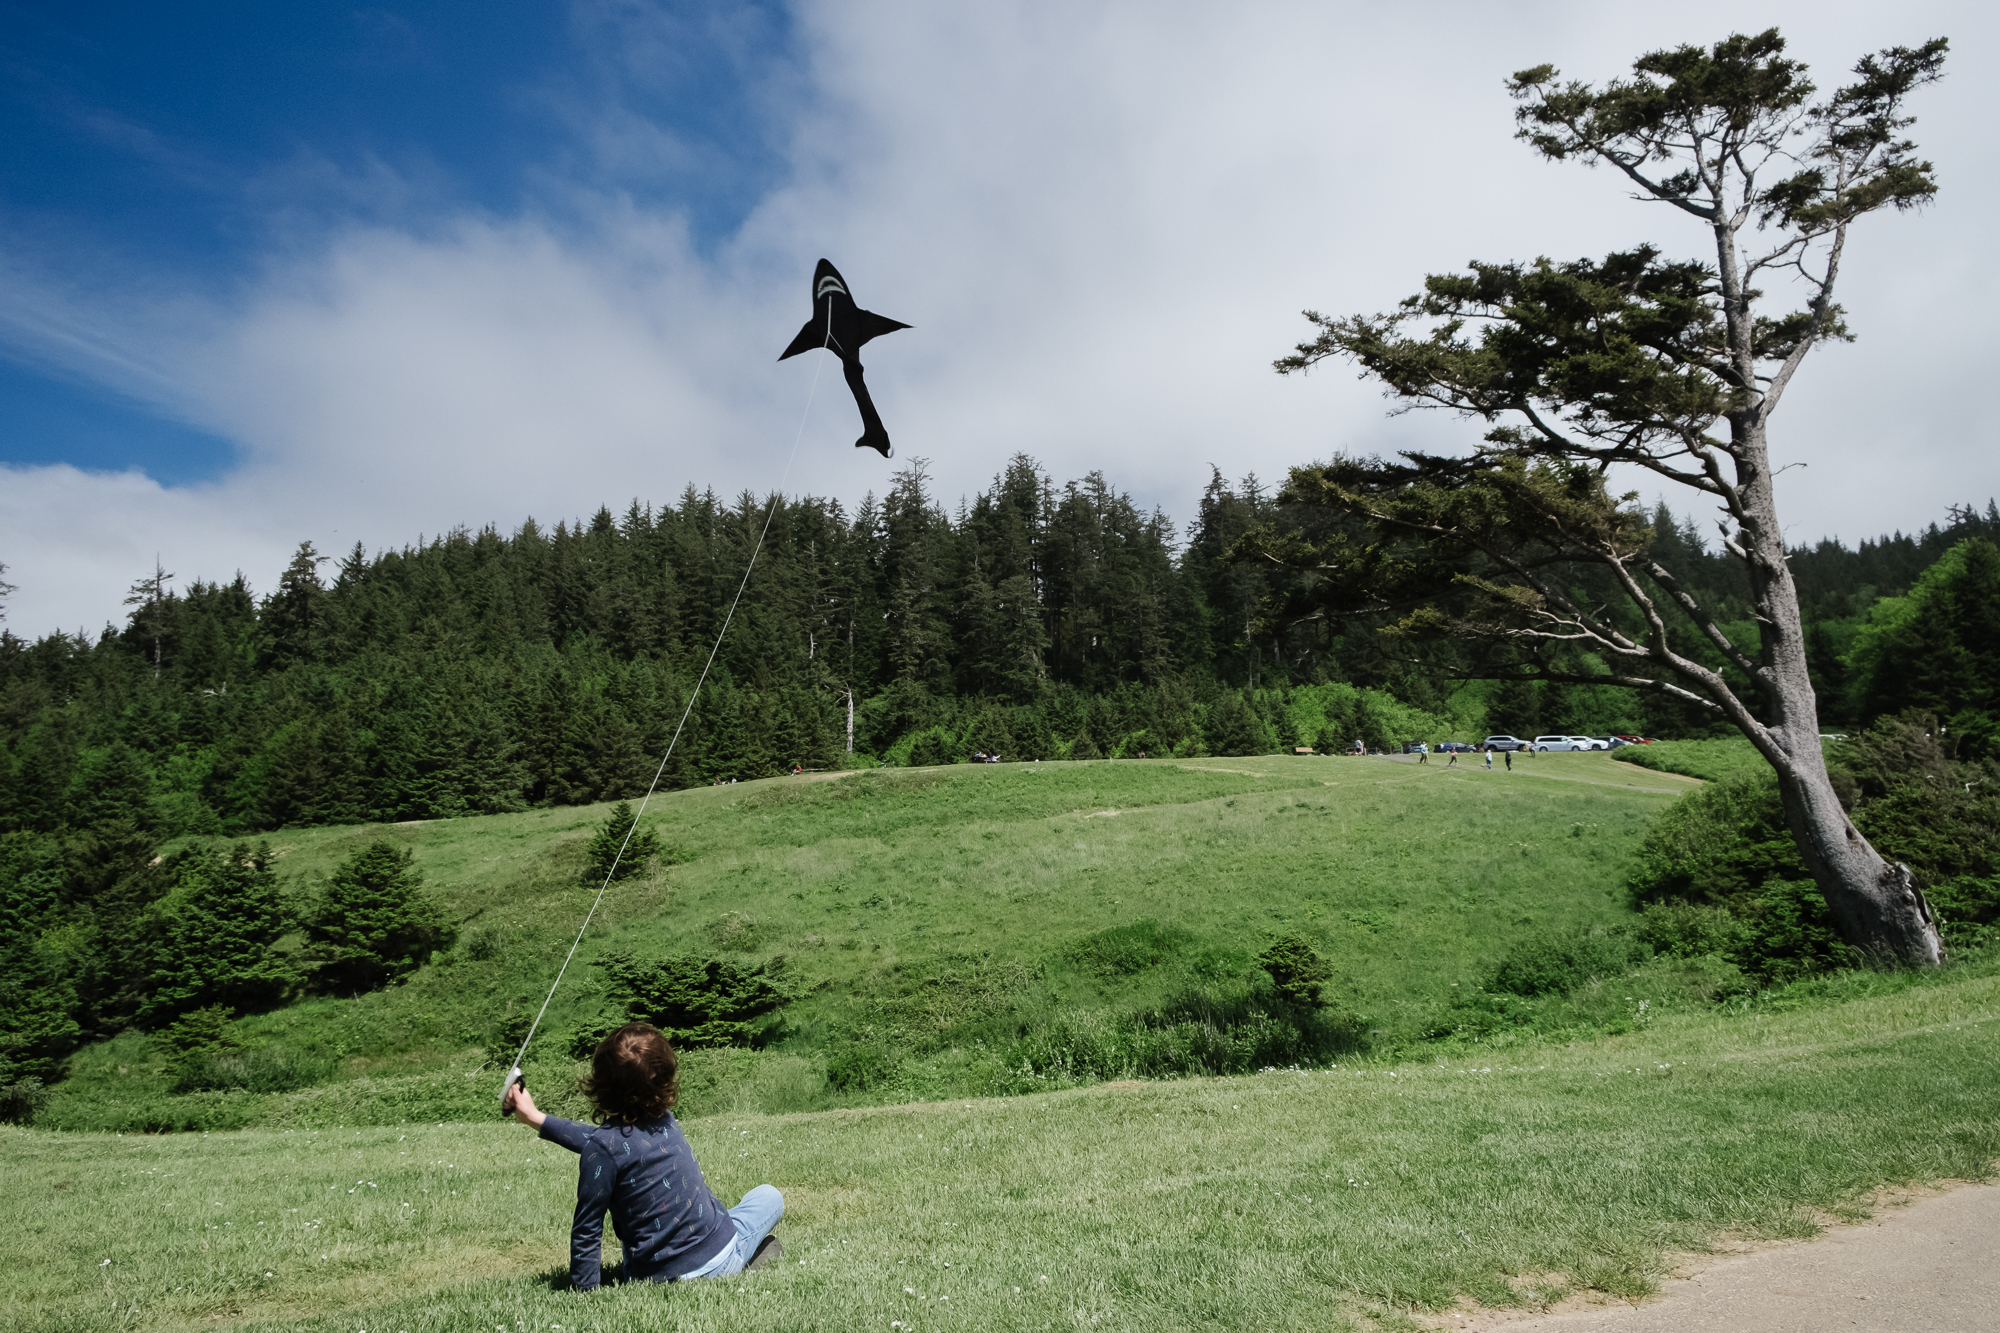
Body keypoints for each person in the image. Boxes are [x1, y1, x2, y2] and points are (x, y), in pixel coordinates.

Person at [505, 1022, 784, 1290]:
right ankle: (743, 1263)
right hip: (717, 1259)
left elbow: (587, 1229)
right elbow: (608, 1146)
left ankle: (734, 1263)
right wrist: (536, 1119)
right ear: (664, 1079)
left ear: (600, 1083)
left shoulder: (604, 1148)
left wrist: (586, 1291)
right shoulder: (666, 1121)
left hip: (651, 1278)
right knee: (770, 1195)